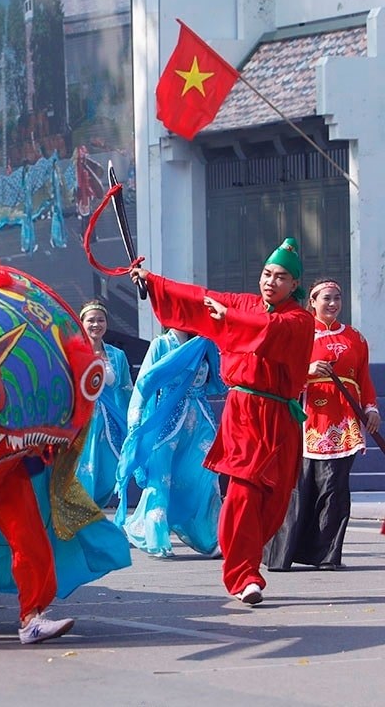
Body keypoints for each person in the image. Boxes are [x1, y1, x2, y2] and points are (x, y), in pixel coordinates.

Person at [129, 237, 313, 605]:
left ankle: (242, 556)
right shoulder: (244, 303)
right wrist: (152, 282)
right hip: (244, 413)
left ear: (294, 285)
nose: (270, 282)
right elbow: (199, 299)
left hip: (280, 418)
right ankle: (245, 574)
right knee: (243, 492)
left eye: (280, 277)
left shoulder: (300, 320)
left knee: (272, 503)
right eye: (266, 274)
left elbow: (268, 332)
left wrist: (230, 318)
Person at [264, 278, 380, 571]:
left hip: (344, 422)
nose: (333, 303)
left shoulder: (356, 337)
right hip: (305, 420)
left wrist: (370, 408)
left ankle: (327, 555)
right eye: (326, 298)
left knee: (335, 488)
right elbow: (278, 373)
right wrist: (308, 370)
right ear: (312, 302)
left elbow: (363, 378)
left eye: (337, 298)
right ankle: (283, 554)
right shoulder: (299, 333)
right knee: (299, 487)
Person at [115, 328, 226, 557]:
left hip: (201, 419)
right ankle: (155, 535)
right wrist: (136, 421)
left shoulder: (205, 343)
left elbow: (220, 382)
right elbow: (145, 382)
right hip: (167, 420)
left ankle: (211, 537)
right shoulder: (161, 345)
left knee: (206, 476)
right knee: (161, 476)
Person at [74, 300, 132, 508]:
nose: (96, 324)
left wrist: (131, 421)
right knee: (83, 470)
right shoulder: (73, 352)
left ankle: (94, 511)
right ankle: (83, 518)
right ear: (82, 323)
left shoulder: (117, 355)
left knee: (109, 473)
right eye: (91, 320)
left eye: (100, 320)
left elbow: (126, 389)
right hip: (82, 423)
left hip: (111, 424)